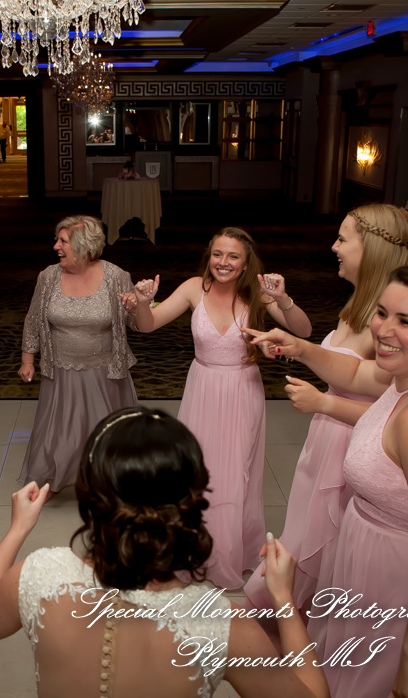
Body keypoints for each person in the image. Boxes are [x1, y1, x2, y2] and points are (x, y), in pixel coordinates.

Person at [247, 255, 408, 698]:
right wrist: (299, 346)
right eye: (382, 312)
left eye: (406, 320)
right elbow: (353, 371)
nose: (383, 329)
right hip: (379, 571)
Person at [0, 407, 330, 698]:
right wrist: (284, 600)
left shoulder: (38, 576)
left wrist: (18, 529)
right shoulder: (221, 624)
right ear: (190, 506)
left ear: (89, 499)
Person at [244, 204, 408, 610]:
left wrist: (324, 401)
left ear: (370, 248)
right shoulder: (358, 302)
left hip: (354, 445)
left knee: (327, 542)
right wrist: (292, 348)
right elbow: (340, 364)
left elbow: (392, 412)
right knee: (305, 525)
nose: (333, 246)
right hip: (327, 435)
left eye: (342, 238)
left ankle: (307, 619)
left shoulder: (387, 320)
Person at [126, 227, 312, 589]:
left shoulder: (257, 293)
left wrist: (283, 299)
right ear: (208, 256)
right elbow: (147, 327)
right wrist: (143, 302)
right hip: (203, 388)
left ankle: (230, 554)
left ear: (245, 264)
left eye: (233, 257)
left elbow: (302, 330)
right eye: (217, 254)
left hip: (243, 389)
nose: (223, 263)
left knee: (236, 472)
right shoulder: (194, 287)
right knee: (200, 471)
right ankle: (196, 548)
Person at [18, 215, 138, 492]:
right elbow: (34, 319)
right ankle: (52, 479)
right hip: (61, 370)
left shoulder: (116, 276)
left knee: (106, 432)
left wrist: (137, 305)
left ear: (84, 246)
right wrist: (28, 359)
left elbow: (136, 323)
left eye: (63, 241)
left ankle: (108, 481)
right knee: (61, 432)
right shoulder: (48, 277)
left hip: (105, 372)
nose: (55, 246)